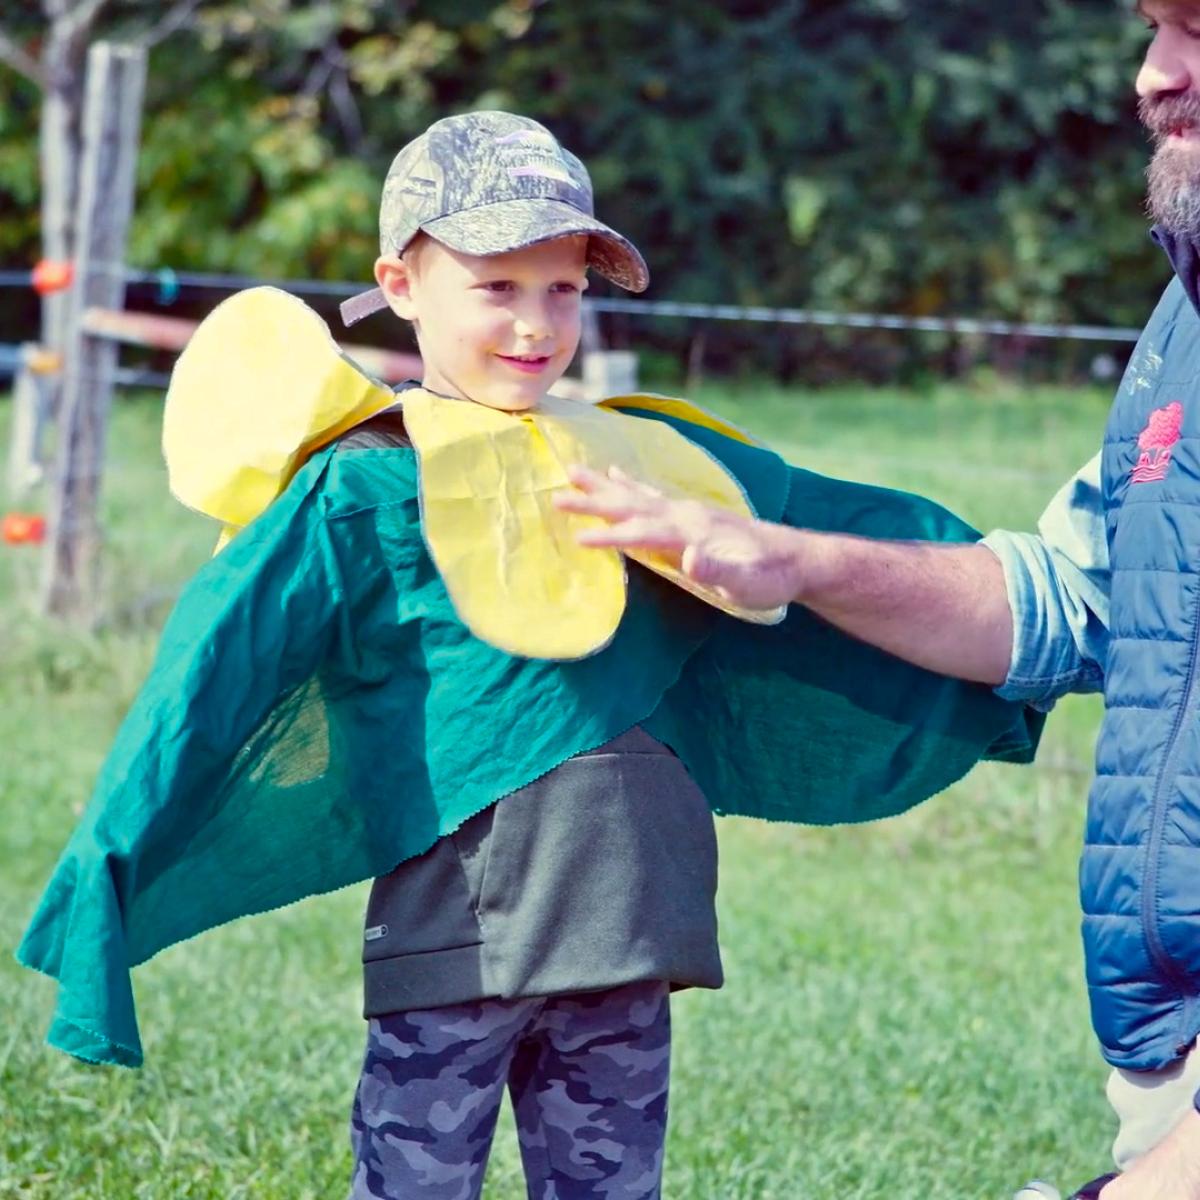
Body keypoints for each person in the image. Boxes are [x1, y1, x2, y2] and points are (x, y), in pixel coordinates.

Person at [17, 110, 1039, 1200]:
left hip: (630, 941)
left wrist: (1018, 620)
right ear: (401, 285)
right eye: (496, 287)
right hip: (456, 952)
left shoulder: (650, 465)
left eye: (563, 288)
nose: (534, 324)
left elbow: (822, 533)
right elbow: (215, 667)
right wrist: (112, 860)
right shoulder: (368, 485)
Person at [555, 5, 1200, 1197]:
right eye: (1158, 28)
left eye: (1198, 30)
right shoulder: (1184, 328)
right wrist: (792, 562)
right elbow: (1074, 596)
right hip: (1162, 1044)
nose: (1151, 75)